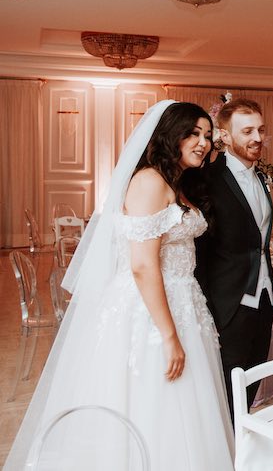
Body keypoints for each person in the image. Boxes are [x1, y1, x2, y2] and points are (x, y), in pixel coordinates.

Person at [5, 101, 234, 470]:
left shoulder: (177, 182)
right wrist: (169, 336)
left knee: (187, 405)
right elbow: (143, 266)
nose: (203, 142)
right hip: (149, 314)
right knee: (151, 398)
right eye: (193, 133)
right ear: (169, 135)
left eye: (207, 135)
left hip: (184, 302)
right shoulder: (148, 181)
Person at [195, 98, 273, 416]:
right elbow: (199, 254)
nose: (257, 138)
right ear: (224, 135)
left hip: (262, 303)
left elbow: (260, 243)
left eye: (261, 130)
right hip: (227, 304)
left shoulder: (260, 178)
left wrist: (272, 289)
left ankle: (240, 449)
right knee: (225, 389)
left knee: (250, 384)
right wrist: (207, 309)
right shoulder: (207, 181)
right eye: (247, 131)